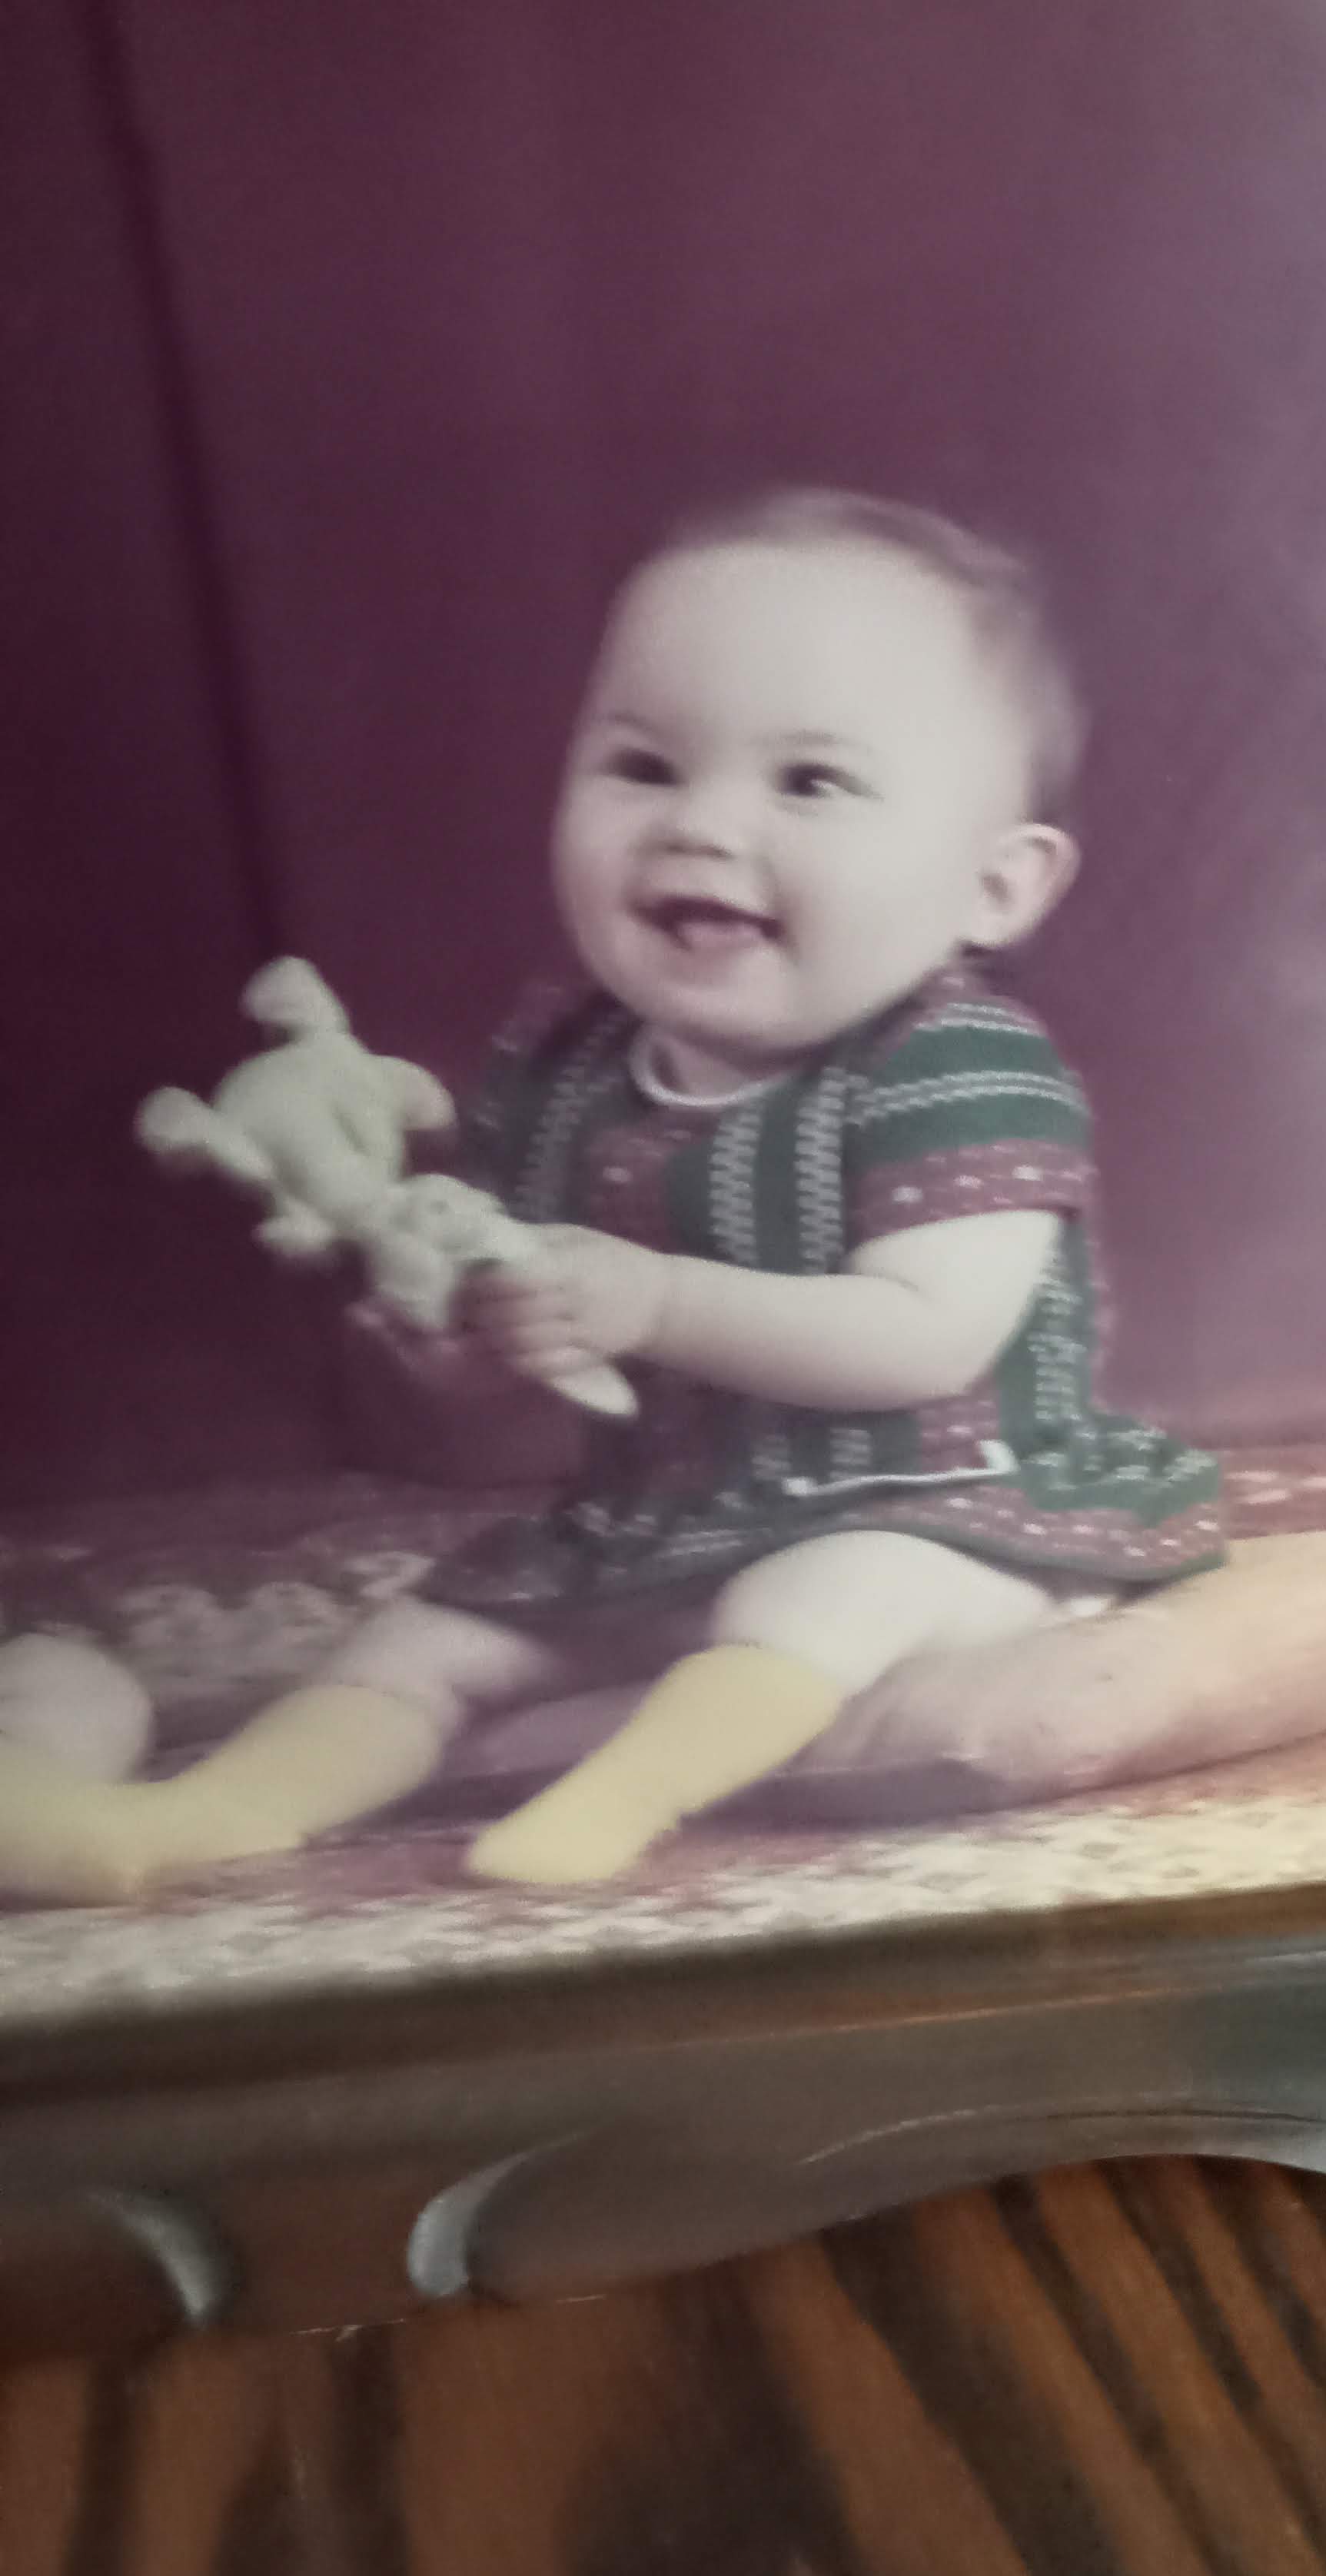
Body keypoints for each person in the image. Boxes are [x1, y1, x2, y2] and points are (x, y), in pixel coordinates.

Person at [0, 490, 1221, 1900]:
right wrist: (469, 1352)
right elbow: (540, 1376)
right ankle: (193, 1819)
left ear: (995, 888)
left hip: (956, 1509)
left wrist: (650, 1300)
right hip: (663, 1521)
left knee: (818, 1593)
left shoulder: (957, 1065)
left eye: (810, 783)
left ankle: (618, 1803)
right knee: (422, 1645)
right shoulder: (566, 1067)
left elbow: (928, 1336)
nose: (700, 824)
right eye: (644, 766)